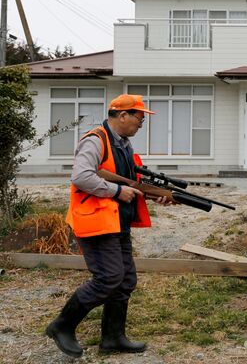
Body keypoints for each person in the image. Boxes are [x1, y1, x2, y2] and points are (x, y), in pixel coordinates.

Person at [45, 94, 169, 358]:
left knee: (125, 280)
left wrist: (153, 194)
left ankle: (112, 339)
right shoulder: (95, 140)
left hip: (116, 221)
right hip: (96, 222)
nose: (142, 123)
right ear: (122, 115)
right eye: (139, 117)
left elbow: (130, 185)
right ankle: (61, 325)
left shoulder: (123, 145)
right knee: (109, 277)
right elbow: (80, 177)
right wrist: (115, 191)